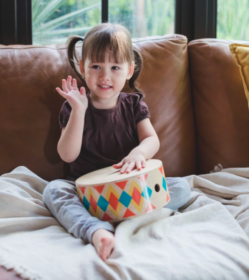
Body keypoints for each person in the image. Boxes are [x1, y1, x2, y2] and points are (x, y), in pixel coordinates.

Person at [43, 23, 191, 262]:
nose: (105, 76)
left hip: (131, 189)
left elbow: (151, 139)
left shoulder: (133, 105)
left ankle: (123, 214)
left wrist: (139, 154)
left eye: (115, 67)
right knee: (54, 190)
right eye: (96, 66)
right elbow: (67, 155)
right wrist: (79, 111)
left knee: (181, 187)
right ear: (82, 68)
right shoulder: (74, 106)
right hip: (87, 194)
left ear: (130, 69)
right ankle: (96, 229)